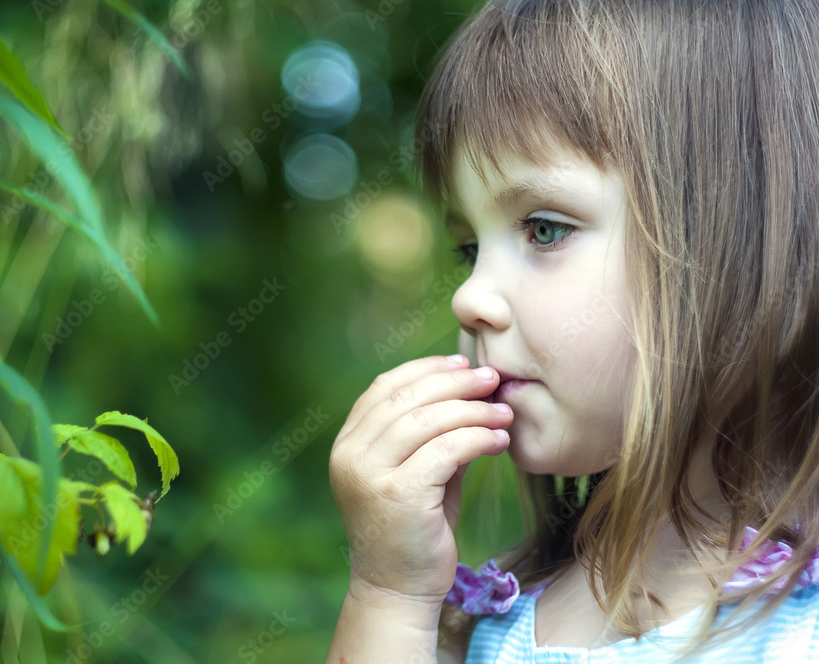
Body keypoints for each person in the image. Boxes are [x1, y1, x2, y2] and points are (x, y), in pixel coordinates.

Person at [325, 0, 819, 662]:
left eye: (544, 228)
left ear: (747, 246)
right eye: (469, 249)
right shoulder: (487, 623)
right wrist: (389, 596)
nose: (469, 298)